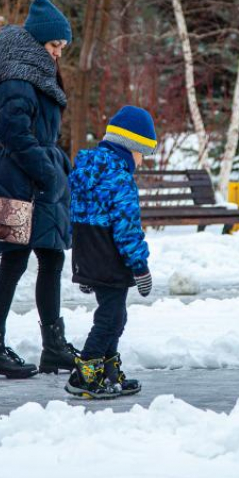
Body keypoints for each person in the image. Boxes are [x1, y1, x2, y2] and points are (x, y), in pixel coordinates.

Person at [0, 0, 77, 378]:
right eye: (54, 46)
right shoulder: (15, 76)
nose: (57, 54)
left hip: (34, 173)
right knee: (13, 262)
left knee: (52, 258)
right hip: (16, 175)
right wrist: (49, 173)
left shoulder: (34, 71)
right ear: (37, 42)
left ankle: (53, 347)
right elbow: (15, 134)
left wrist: (55, 168)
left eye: (62, 48)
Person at [65, 105, 155, 399]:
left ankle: (108, 374)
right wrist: (140, 266)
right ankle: (85, 376)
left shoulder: (86, 169)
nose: (142, 161)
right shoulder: (119, 176)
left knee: (113, 314)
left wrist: (85, 266)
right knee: (111, 317)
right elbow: (127, 227)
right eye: (143, 152)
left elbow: (75, 214)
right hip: (111, 255)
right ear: (130, 146)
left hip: (89, 250)